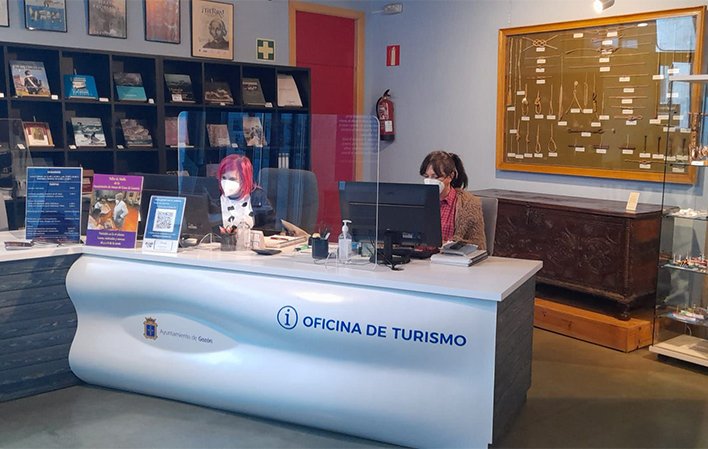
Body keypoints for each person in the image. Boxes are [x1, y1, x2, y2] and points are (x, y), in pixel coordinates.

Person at [419, 150, 486, 250]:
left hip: (450, 258)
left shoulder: (468, 204)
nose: (430, 181)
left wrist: (448, 245)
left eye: (435, 177)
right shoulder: (419, 200)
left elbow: (478, 246)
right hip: (419, 257)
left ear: (450, 176)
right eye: (426, 176)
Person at [214, 154, 274, 231]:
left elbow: (270, 227)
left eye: (232, 179)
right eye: (224, 178)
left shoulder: (257, 196)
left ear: (244, 179)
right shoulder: (214, 195)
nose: (226, 183)